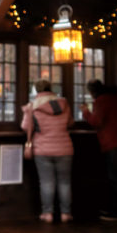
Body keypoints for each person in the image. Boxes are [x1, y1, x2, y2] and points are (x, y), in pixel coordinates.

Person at [80, 79, 117, 220]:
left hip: (114, 143)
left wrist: (85, 112)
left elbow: (96, 122)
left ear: (93, 91)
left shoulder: (101, 101)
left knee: (116, 178)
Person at [21, 80, 75, 223]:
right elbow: (70, 123)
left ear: (36, 90)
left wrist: (26, 112)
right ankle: (65, 213)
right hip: (65, 147)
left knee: (46, 182)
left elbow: (25, 127)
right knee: (65, 183)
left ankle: (47, 213)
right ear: (50, 89)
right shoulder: (64, 104)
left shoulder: (33, 106)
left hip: (43, 148)